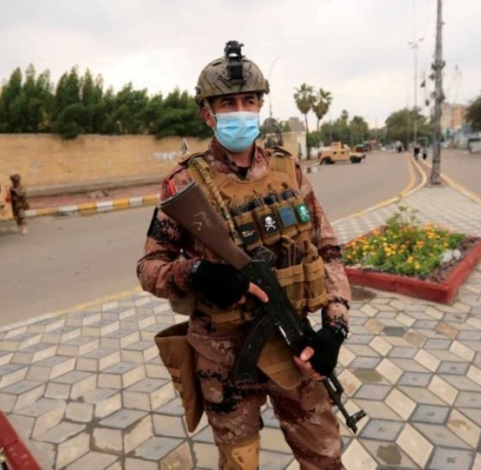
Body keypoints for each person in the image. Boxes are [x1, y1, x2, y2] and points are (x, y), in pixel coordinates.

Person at [137, 41, 350, 470]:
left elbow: (327, 249)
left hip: (295, 347)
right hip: (222, 359)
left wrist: (335, 327)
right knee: (239, 463)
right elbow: (149, 268)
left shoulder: (288, 170)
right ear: (208, 114)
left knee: (325, 457)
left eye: (249, 101)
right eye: (228, 103)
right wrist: (196, 273)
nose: (241, 111)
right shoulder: (184, 184)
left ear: (260, 106)